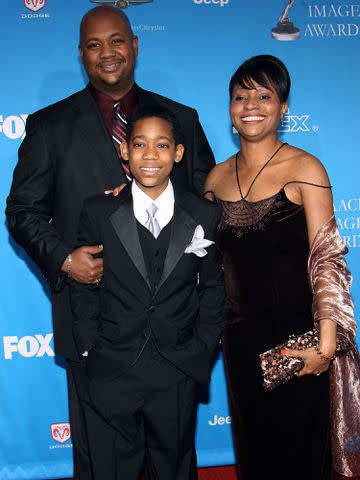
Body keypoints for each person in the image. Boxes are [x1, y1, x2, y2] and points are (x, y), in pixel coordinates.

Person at [5, 6, 214, 479]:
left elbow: (209, 204)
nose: (107, 53)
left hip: (172, 325)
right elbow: (21, 210)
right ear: (81, 54)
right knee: (103, 465)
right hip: (93, 324)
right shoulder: (49, 126)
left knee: (172, 462)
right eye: (94, 45)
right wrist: (62, 259)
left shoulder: (181, 119)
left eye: (116, 41)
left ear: (135, 44)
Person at [204, 55, 359, 479]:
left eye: (263, 95)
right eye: (240, 96)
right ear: (230, 109)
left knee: (301, 459)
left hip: (298, 342)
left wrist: (325, 348)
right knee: (257, 460)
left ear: (283, 108)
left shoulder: (305, 168)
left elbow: (327, 260)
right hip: (238, 344)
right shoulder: (214, 180)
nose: (250, 104)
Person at [69, 106, 225, 480]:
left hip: (176, 368)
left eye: (162, 145)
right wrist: (90, 347)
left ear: (179, 152)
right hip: (112, 367)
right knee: (110, 470)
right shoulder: (98, 210)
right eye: (140, 144)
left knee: (173, 467)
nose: (150, 155)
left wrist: (202, 347)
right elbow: (84, 285)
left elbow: (214, 289)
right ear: (124, 151)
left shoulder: (203, 214)